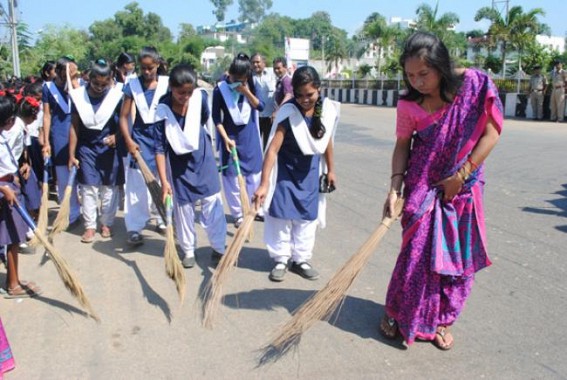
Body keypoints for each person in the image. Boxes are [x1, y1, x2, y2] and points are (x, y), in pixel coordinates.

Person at [379, 32, 502, 350]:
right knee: (415, 254)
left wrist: (460, 176)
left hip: (463, 187)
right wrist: (394, 187)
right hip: (423, 184)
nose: (417, 81)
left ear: (441, 66)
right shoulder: (408, 104)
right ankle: (397, 311)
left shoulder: (474, 85)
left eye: (424, 73)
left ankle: (442, 320)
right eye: (409, 75)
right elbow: (402, 146)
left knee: (456, 259)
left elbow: (492, 132)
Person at [254, 66, 339, 282]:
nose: (304, 100)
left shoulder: (326, 110)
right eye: (299, 95)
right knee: (280, 215)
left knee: (306, 217)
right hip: (286, 173)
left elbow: (327, 141)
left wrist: (331, 170)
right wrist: (264, 184)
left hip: (310, 172)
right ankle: (281, 258)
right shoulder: (288, 111)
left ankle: (301, 259)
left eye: (309, 94)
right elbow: (272, 149)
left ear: (319, 89)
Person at [154, 64, 227, 268]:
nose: (185, 96)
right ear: (171, 87)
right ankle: (188, 249)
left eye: (189, 92)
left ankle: (219, 248)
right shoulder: (162, 108)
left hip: (203, 159)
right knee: (183, 208)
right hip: (179, 166)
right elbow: (159, 147)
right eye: (180, 92)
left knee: (212, 203)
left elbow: (203, 120)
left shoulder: (200, 99)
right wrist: (164, 181)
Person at [68, 59, 125, 243]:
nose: (100, 88)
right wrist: (71, 154)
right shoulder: (78, 97)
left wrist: (117, 137)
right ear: (89, 78)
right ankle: (90, 226)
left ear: (110, 80)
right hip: (87, 148)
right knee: (88, 188)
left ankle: (106, 223)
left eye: (104, 84)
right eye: (96, 83)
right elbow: (74, 126)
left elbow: (124, 122)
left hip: (109, 148)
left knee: (109, 188)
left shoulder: (116, 96)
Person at [120, 47, 169, 246]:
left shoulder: (166, 84)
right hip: (140, 140)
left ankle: (161, 218)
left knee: (161, 180)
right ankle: (135, 227)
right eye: (143, 68)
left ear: (157, 65)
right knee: (137, 185)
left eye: (150, 68)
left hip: (162, 139)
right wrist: (128, 140)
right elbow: (123, 117)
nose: (147, 72)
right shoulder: (132, 86)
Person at [212, 53, 264, 228]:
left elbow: (260, 106)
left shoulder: (250, 85)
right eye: (234, 78)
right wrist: (225, 138)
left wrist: (246, 91)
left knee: (253, 176)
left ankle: (251, 208)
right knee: (232, 178)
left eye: (241, 80)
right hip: (231, 138)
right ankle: (237, 214)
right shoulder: (220, 89)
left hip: (249, 138)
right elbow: (216, 118)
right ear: (230, 74)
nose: (236, 83)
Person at [0, 95, 42, 298]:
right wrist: (3, 188)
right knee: (13, 237)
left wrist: (12, 178)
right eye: (9, 118)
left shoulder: (2, 135)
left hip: (9, 184)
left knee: (13, 237)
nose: (12, 121)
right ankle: (13, 284)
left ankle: (14, 278)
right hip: (3, 190)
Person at [42, 56, 81, 229]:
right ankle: (71, 214)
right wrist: (46, 142)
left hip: (79, 131)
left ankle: (87, 214)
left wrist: (73, 82)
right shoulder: (48, 88)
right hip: (60, 134)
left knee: (84, 176)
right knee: (64, 177)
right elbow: (47, 115)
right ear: (57, 72)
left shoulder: (78, 85)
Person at [251, 53, 276, 149]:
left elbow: (277, 94)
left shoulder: (272, 74)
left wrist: (276, 111)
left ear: (264, 63)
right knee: (254, 145)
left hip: (270, 116)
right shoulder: (248, 77)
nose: (255, 65)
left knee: (268, 145)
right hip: (255, 117)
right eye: (253, 63)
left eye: (257, 62)